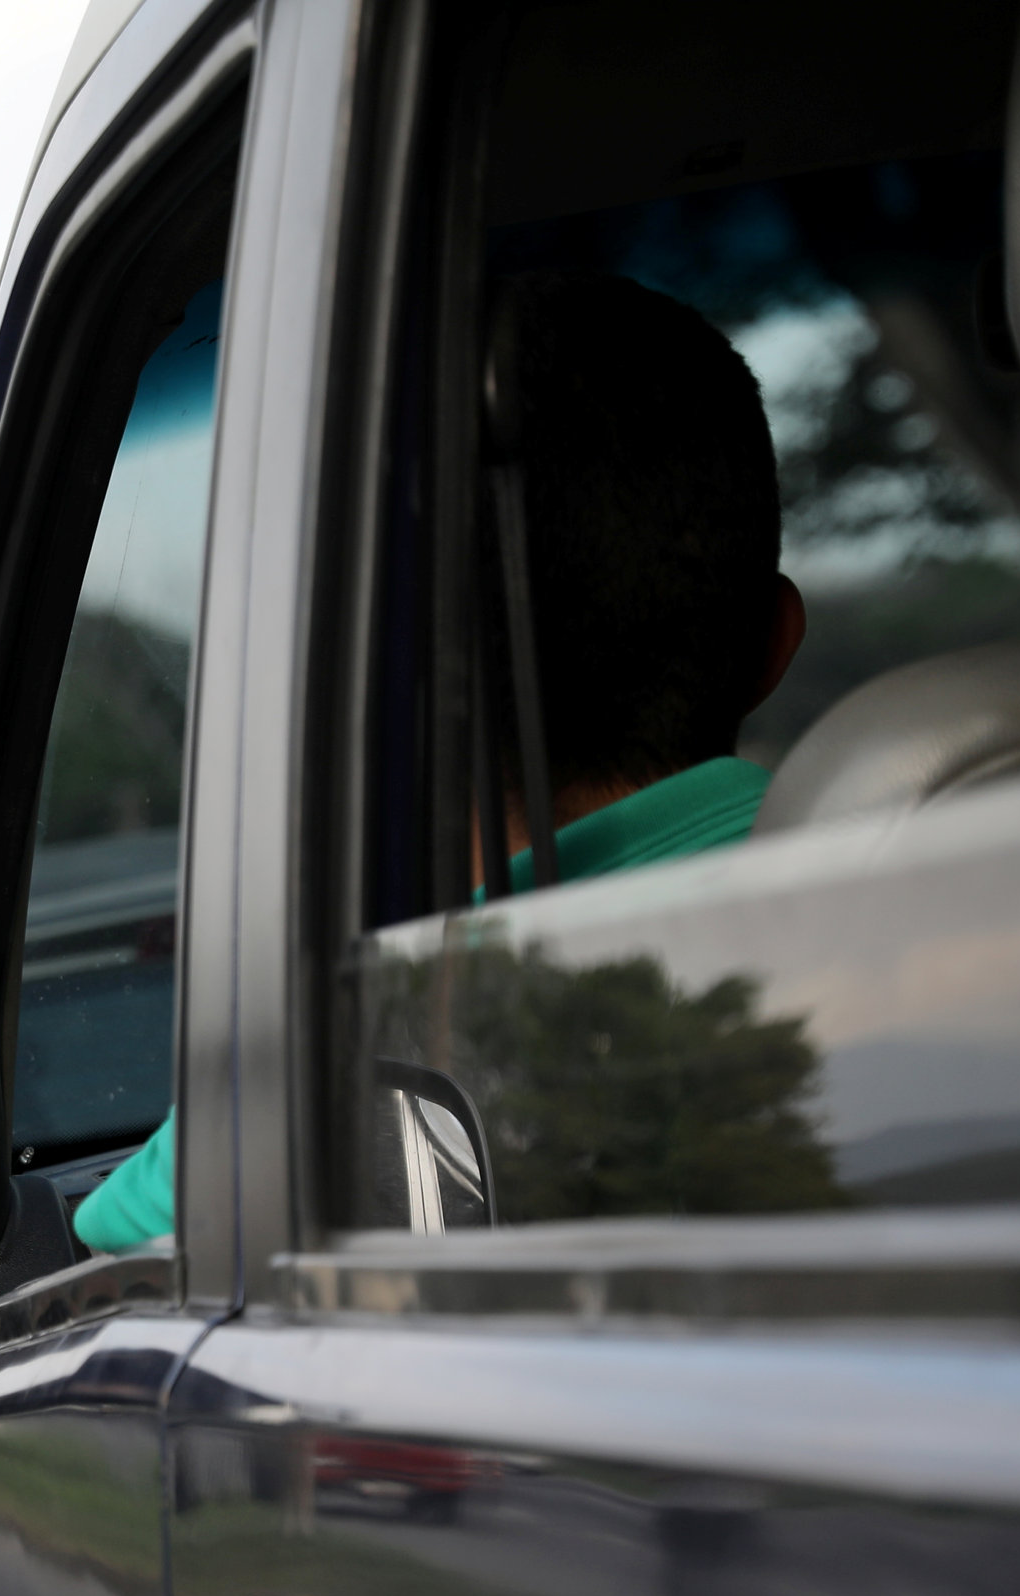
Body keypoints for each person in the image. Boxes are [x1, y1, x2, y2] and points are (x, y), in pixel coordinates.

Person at [73, 271, 805, 1254]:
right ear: (775, 643)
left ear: (372, 689)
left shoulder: (333, 1061)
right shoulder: (964, 908)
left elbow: (115, 1249)